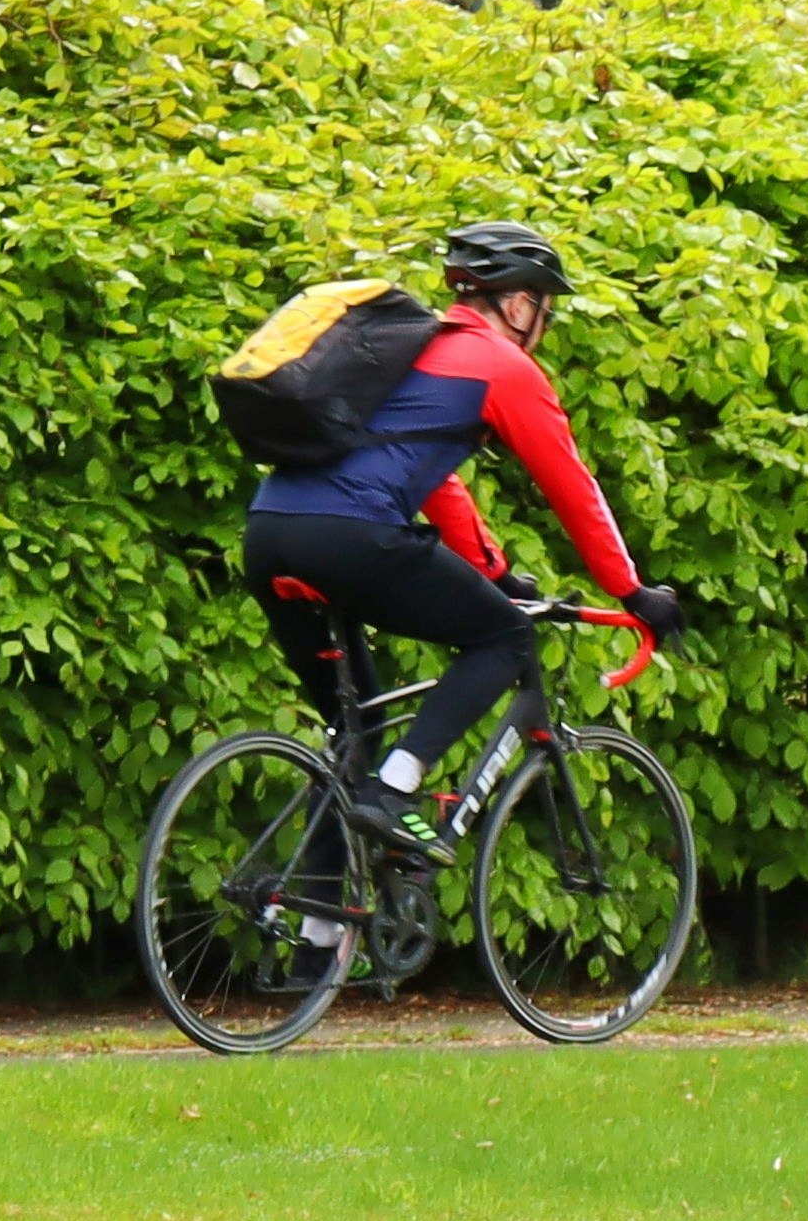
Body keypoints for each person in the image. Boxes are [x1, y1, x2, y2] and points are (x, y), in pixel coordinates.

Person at [237, 221, 694, 876]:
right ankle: (399, 786)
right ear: (517, 303)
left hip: (270, 532)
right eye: (545, 304)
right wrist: (631, 590)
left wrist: (494, 573)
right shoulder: (505, 368)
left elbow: (436, 483)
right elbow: (573, 488)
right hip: (352, 535)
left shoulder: (408, 350)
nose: (545, 319)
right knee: (505, 639)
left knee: (355, 737)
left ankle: (314, 944)